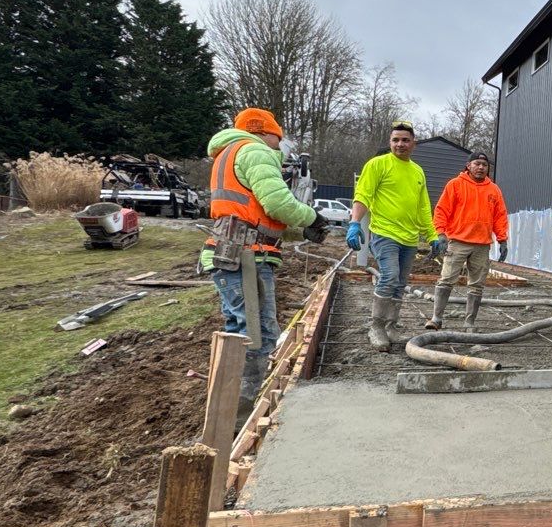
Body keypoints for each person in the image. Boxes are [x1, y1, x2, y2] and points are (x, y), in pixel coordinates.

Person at [201, 108, 322, 403]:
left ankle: (226, 401)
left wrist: (301, 233)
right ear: (265, 132)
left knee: (237, 332)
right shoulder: (255, 151)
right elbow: (278, 203)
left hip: (230, 252)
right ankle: (244, 408)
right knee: (259, 335)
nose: (279, 146)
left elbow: (255, 218)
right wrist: (312, 218)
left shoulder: (228, 153)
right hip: (245, 257)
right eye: (278, 139)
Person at [345, 122, 441, 352]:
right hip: (384, 233)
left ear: (413, 143)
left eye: (405, 140)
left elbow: (423, 207)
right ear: (390, 142)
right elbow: (363, 195)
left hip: (409, 238)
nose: (400, 144)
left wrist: (432, 235)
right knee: (389, 276)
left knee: (399, 283)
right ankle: (376, 327)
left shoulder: (417, 171)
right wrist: (355, 223)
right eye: (395, 140)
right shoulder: (378, 164)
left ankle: (391, 326)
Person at [425, 150, 510, 333]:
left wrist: (502, 239)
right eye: (477, 164)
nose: (480, 167)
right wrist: (440, 234)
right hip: (457, 241)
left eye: (484, 165)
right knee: (446, 280)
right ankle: (436, 318)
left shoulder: (494, 190)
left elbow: (500, 216)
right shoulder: (455, 185)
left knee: (477, 285)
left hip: (482, 245)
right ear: (469, 166)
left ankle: (469, 323)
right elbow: (441, 210)